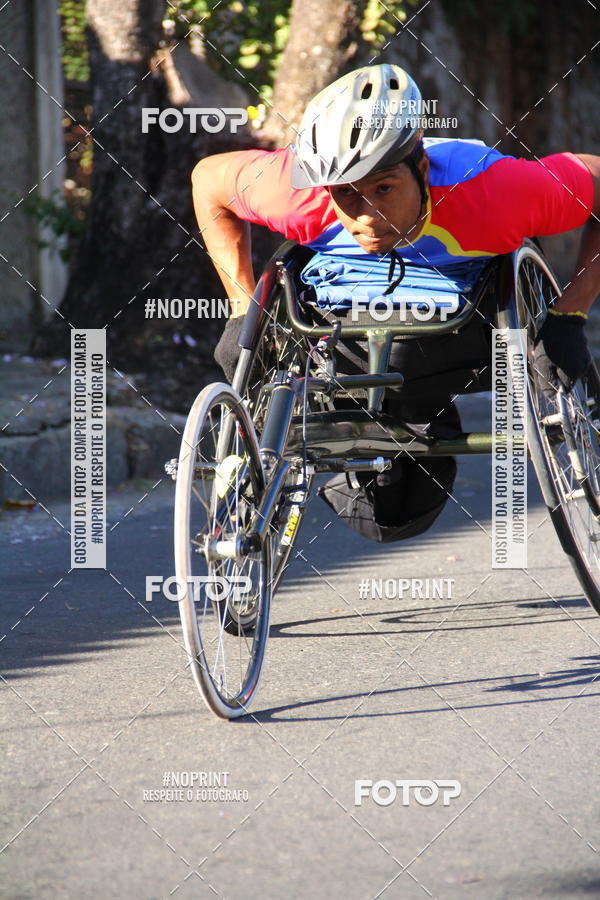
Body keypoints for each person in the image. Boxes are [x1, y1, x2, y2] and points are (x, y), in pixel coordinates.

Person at [191, 63, 600, 543]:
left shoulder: (493, 192)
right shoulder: (295, 194)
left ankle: (413, 422)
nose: (367, 217)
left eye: (384, 189)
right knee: (385, 512)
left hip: (460, 337)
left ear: (421, 168)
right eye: (346, 196)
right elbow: (208, 179)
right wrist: (241, 309)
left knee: (402, 504)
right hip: (341, 341)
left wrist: (570, 313)